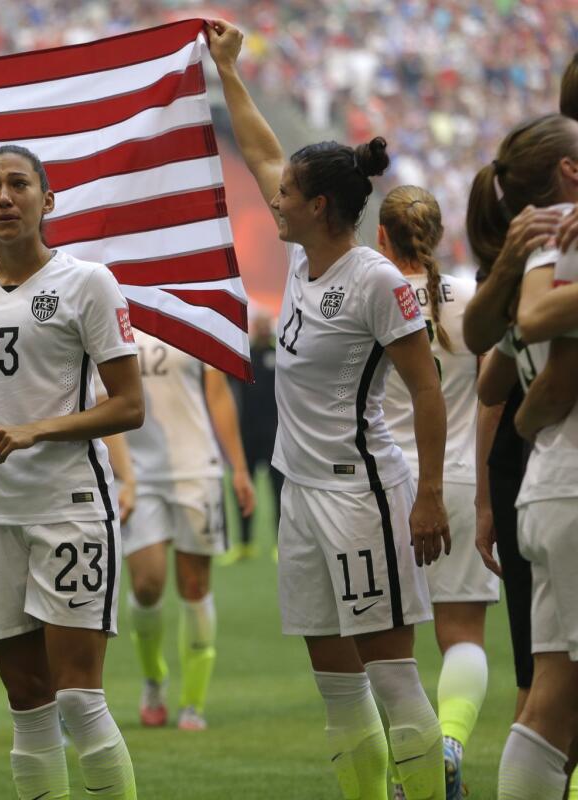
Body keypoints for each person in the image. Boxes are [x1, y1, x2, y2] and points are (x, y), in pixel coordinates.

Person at [208, 20, 451, 800]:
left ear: (317, 205)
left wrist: (431, 496)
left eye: (285, 194)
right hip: (302, 492)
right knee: (336, 683)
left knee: (390, 672)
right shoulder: (304, 256)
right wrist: (229, 72)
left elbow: (424, 391)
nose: (272, 197)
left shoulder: (377, 281)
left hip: (363, 493)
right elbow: (260, 150)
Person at [0, 143, 144, 799]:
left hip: (69, 507)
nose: (4, 197)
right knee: (26, 698)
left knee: (77, 699)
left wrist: (39, 429)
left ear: (48, 198)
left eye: (17, 184)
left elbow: (129, 405)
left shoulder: (88, 282)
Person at [464, 112, 578, 800]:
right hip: (571, 483)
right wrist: (541, 407)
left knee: (549, 700)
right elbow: (552, 356)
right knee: (550, 700)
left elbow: (490, 379)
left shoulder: (533, 246)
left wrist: (533, 415)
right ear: (570, 170)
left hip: (548, 484)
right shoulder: (563, 241)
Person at [378, 185, 498, 797]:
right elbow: (495, 394)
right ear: (439, 234)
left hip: (381, 485)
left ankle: (413, 766)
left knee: (387, 650)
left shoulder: (369, 293)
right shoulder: (473, 300)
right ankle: (448, 744)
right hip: (455, 479)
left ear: (381, 234)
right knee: (464, 638)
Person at [104, 331, 255, 730]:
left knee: (195, 586)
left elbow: (218, 394)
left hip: (196, 469)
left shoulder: (191, 312)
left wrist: (238, 467)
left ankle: (193, 701)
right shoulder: (114, 309)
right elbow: (104, 395)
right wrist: (123, 472)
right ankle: (153, 678)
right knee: (147, 584)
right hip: (137, 474)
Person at [229, 310, 282, 562]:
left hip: (274, 435)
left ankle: (281, 544)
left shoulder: (281, 355)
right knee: (242, 490)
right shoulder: (242, 356)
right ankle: (244, 544)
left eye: (265, 325)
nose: (262, 329)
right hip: (246, 434)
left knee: (279, 491)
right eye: (258, 325)